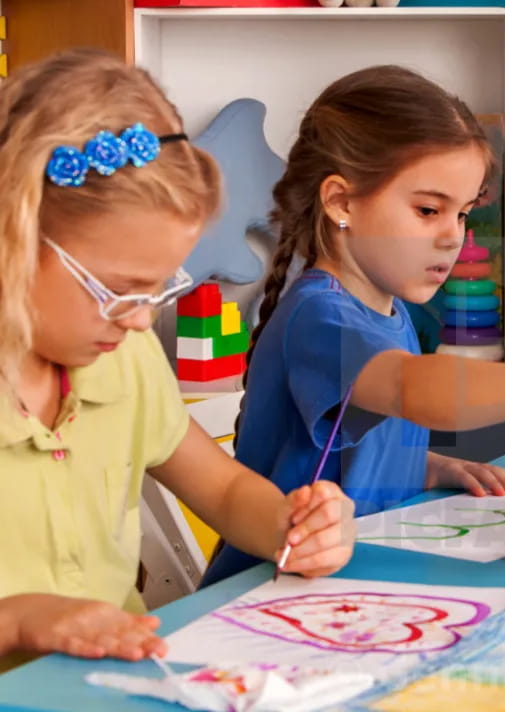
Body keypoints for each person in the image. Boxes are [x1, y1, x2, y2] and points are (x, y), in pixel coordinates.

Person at [202, 65, 505, 585]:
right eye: (427, 210)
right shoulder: (319, 317)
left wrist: (431, 466)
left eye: (462, 214)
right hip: (267, 591)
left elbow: (347, 452)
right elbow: (407, 386)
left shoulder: (390, 313)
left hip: (353, 579)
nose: (452, 237)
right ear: (341, 202)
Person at [0, 49, 356, 669]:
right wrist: (18, 620)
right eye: (117, 288)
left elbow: (221, 489)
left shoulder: (123, 357)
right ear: (14, 232)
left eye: (159, 289)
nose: (142, 320)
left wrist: (291, 525)